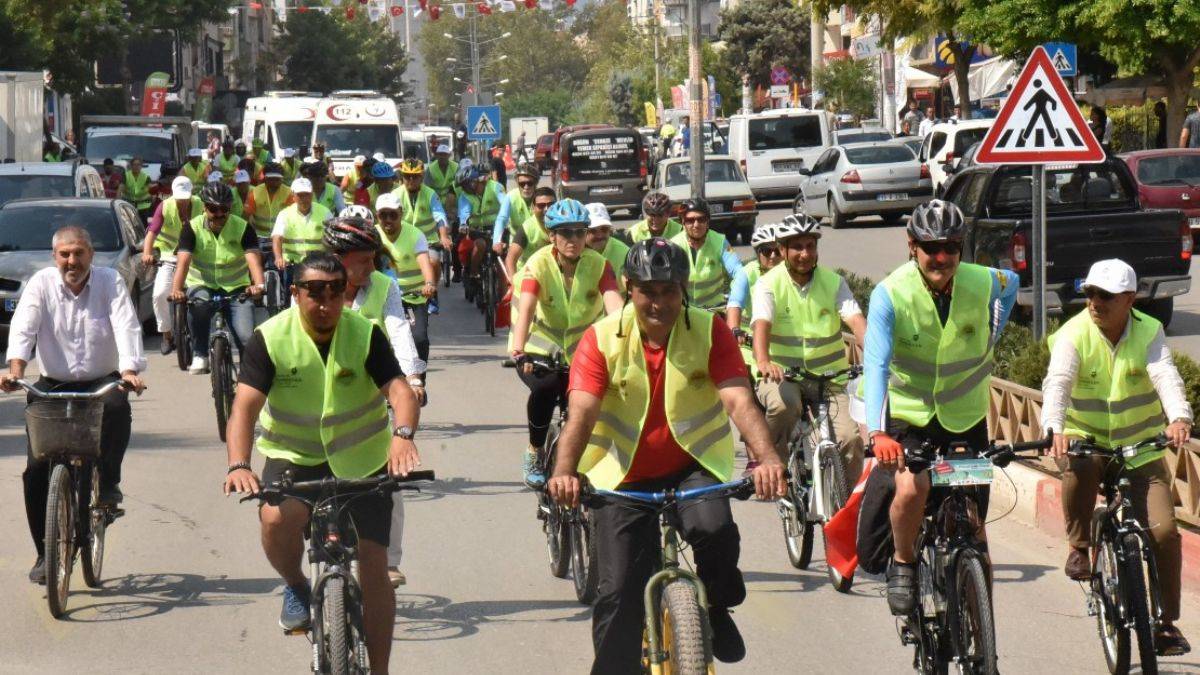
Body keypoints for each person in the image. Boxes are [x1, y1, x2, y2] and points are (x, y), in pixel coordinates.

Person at [546, 237, 788, 672]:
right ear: (629, 288)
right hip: (620, 477)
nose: (658, 303)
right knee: (618, 592)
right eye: (647, 292)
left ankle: (714, 606)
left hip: (691, 466)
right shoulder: (600, 339)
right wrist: (565, 472)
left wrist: (767, 458)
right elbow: (580, 412)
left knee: (715, 531)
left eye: (669, 291)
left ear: (683, 290)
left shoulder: (709, 330)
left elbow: (738, 399)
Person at [222, 251, 421, 673]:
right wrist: (239, 464)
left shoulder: (364, 334)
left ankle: (381, 669)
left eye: (336, 291)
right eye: (315, 291)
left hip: (363, 461)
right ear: (295, 293)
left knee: (374, 567)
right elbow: (244, 409)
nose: (327, 302)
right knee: (275, 519)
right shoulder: (271, 337)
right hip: (294, 458)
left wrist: (402, 436)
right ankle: (296, 584)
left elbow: (399, 391)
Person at [863, 200, 1019, 617]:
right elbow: (875, 365)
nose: (942, 257)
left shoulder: (986, 281)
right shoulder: (889, 294)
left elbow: (1013, 282)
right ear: (911, 245)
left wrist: (990, 331)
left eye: (951, 247)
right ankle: (903, 563)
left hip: (966, 416)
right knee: (913, 488)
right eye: (931, 248)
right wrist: (878, 435)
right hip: (910, 416)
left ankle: (979, 629)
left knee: (975, 528)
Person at [1042, 258, 1191, 656]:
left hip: (1140, 449)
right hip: (1087, 441)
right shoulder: (1074, 334)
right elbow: (1058, 382)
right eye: (1089, 293)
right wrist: (1055, 428)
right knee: (1080, 464)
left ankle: (1165, 624)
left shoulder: (1150, 331)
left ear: (1130, 298)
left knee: (1163, 532)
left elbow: (1165, 376)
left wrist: (1179, 417)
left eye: (1105, 296)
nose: (1094, 302)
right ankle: (1079, 546)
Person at [2, 225, 147, 584]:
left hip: (103, 380)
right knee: (36, 470)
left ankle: (109, 480)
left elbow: (126, 325)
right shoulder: (40, 285)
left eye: (78, 253)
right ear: (55, 257)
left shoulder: (110, 281)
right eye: (65, 254)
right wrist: (14, 369)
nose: (72, 261)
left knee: (117, 408)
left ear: (90, 255)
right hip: (53, 383)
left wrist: (129, 370)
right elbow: (23, 327)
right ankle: (44, 554)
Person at [323, 217, 428, 588]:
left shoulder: (384, 286)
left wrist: (412, 378)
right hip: (324, 397)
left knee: (390, 478)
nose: (372, 268)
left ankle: (388, 560)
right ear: (337, 259)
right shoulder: (315, 287)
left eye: (373, 259)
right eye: (363, 261)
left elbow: (399, 330)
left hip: (375, 390)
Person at [508, 199, 624, 487]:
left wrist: (628, 342)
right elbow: (527, 310)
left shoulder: (600, 265)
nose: (572, 239)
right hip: (539, 346)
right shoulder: (538, 264)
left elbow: (617, 310)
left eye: (578, 232)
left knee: (589, 404)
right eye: (564, 233)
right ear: (552, 236)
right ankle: (535, 450)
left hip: (583, 350)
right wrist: (520, 352)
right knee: (546, 388)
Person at [751, 214, 866, 482]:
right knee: (783, 406)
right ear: (782, 250)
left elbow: (857, 321)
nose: (805, 254)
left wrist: (875, 354)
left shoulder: (834, 282)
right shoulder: (768, 284)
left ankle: (845, 513)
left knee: (851, 441)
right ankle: (776, 466)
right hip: (784, 377)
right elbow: (761, 325)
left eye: (810, 246)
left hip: (830, 379)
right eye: (797, 247)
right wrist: (764, 361)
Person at [170, 183, 265, 374]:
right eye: (214, 209)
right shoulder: (192, 228)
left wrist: (259, 285)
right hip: (202, 284)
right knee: (199, 305)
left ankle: (248, 377)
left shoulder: (243, 227)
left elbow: (253, 259)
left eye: (225, 209)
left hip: (236, 287)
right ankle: (200, 354)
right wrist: (177, 289)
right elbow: (183, 262)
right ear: (204, 208)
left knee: (246, 336)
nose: (219, 214)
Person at [374, 193, 437, 368]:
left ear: (401, 213)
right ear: (376, 215)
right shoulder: (372, 236)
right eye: (383, 215)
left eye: (392, 215)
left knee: (419, 339)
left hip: (413, 299)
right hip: (382, 300)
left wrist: (429, 284)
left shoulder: (415, 235)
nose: (388, 220)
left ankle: (419, 380)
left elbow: (425, 263)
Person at [142, 176, 203, 354]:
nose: (182, 202)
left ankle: (202, 334)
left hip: (195, 258)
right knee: (160, 294)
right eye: (179, 198)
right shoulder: (165, 206)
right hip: (170, 257)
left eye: (185, 198)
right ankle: (167, 335)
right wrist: (147, 254)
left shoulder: (200, 205)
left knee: (202, 297)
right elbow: (152, 233)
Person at [668, 198, 745, 310]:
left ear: (708, 221)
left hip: (714, 311)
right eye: (690, 220)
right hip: (683, 311)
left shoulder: (720, 241)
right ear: (683, 222)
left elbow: (738, 272)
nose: (696, 224)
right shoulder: (673, 245)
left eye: (701, 219)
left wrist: (735, 302)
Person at [725, 223, 781, 371]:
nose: (773, 256)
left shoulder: (791, 274)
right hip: (748, 344)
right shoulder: (747, 273)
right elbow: (734, 304)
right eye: (767, 251)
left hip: (783, 346)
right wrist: (735, 330)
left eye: (778, 251)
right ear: (758, 253)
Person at [396, 159, 450, 309]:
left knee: (434, 262)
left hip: (428, 241)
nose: (411, 180)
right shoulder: (395, 195)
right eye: (407, 176)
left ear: (422, 176)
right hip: (402, 240)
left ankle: (432, 292)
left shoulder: (430, 194)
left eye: (415, 176)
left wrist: (444, 236)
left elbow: (440, 216)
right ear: (402, 176)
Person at [272, 177, 333, 288]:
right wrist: (278, 258)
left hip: (318, 263)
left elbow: (332, 238)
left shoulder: (325, 212)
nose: (304, 198)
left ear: (312, 194)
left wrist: (331, 257)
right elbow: (277, 237)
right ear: (293, 196)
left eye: (307, 194)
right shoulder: (284, 214)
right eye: (300, 195)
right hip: (293, 264)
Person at [456, 164, 510, 285]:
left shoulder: (495, 187)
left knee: (505, 251)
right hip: (477, 229)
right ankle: (473, 272)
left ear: (474, 182)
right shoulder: (465, 195)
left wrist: (509, 221)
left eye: (465, 185)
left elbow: (506, 204)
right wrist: (463, 224)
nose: (463, 189)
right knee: (480, 245)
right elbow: (463, 212)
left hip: (498, 228)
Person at [504, 187, 555, 282]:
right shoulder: (527, 228)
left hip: (554, 276)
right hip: (528, 278)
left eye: (551, 205)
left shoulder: (563, 225)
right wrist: (513, 281)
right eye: (541, 205)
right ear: (533, 208)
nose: (546, 209)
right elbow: (510, 258)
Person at [584, 202, 629, 293]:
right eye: (593, 230)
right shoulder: (574, 252)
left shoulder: (625, 253)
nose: (599, 235)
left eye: (604, 229)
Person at [244, 162, 294, 241]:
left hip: (281, 236)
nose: (274, 182)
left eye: (277, 179)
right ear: (265, 178)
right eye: (271, 179)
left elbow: (294, 217)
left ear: (282, 179)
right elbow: (245, 217)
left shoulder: (289, 193)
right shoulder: (255, 192)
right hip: (259, 236)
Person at [499, 163, 540, 253]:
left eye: (530, 183)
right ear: (517, 184)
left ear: (535, 183)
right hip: (517, 248)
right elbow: (501, 219)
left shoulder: (542, 198)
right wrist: (497, 241)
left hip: (539, 248)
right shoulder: (510, 197)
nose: (526, 187)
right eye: (522, 184)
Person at [120, 156, 154, 221]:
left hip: (143, 205)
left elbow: (153, 191)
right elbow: (120, 189)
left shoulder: (146, 177)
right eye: (134, 165)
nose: (136, 167)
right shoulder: (126, 175)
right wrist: (117, 202)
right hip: (128, 204)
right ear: (131, 166)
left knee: (143, 223)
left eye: (138, 165)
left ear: (141, 166)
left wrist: (152, 204)